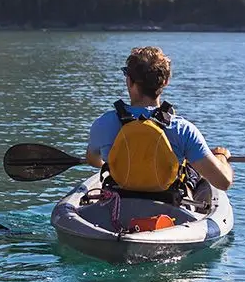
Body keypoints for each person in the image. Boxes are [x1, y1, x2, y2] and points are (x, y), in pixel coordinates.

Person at [85, 46, 233, 198]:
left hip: (119, 202)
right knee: (194, 174)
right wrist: (221, 156)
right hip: (168, 211)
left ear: (129, 81)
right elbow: (224, 182)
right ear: (166, 82)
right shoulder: (183, 130)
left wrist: (111, 164)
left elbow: (93, 159)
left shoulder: (103, 124)